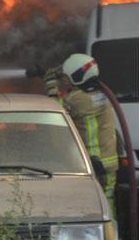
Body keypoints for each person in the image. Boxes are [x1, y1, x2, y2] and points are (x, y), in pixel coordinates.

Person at [44, 53, 118, 201]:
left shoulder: (77, 100)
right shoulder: (101, 94)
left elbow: (54, 112)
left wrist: (51, 86)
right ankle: (111, 224)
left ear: (77, 76)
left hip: (91, 162)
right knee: (106, 201)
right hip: (108, 161)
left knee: (90, 202)